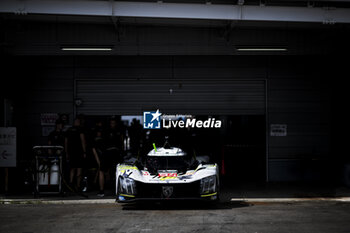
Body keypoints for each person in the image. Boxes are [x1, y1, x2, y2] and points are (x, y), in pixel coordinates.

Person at [65, 118, 87, 191]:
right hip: (79, 152)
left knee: (72, 168)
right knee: (79, 169)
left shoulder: (69, 130)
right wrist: (84, 152)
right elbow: (83, 140)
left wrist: (67, 152)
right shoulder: (81, 129)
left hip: (71, 152)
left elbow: (66, 142)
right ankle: (77, 186)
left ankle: (71, 184)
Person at [92, 128, 107, 197]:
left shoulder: (101, 140)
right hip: (101, 158)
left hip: (103, 158)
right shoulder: (97, 141)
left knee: (101, 172)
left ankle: (101, 190)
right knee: (101, 172)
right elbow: (95, 152)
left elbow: (95, 152)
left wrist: (99, 163)